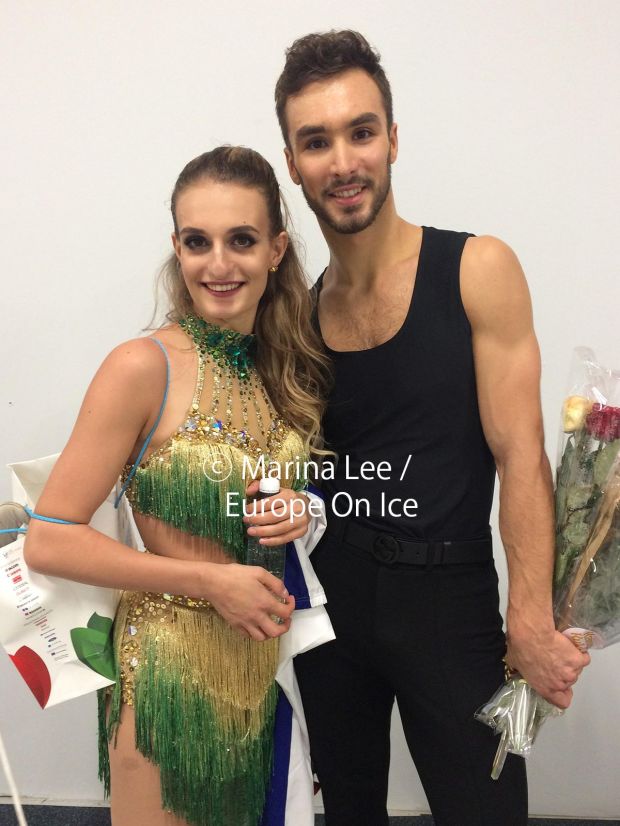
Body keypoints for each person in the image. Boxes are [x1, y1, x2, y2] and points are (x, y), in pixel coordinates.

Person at [273, 30, 591, 825]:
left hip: (449, 600)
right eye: (317, 141)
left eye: (360, 131)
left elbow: (520, 455)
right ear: (293, 163)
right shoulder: (300, 315)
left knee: (486, 811)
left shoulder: (476, 268)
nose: (342, 161)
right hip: (333, 604)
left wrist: (531, 617)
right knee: (347, 812)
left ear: (392, 137)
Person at [23, 145, 332, 826]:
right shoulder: (142, 366)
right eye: (198, 242)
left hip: (262, 679)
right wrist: (210, 582)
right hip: (165, 688)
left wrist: (301, 511)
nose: (218, 264)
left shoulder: (284, 370)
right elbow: (49, 538)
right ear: (177, 248)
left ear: (277, 250)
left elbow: (294, 506)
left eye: (241, 240)